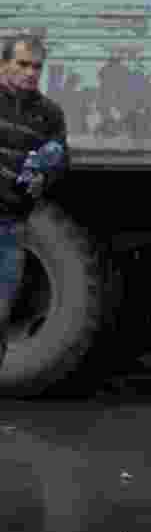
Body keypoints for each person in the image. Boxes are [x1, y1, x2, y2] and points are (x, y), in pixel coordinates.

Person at [0, 35, 70, 367]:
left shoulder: (48, 115)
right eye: (22, 64)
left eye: (37, 66)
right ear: (4, 64)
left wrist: (46, 177)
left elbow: (61, 163)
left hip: (10, 227)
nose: (30, 72)